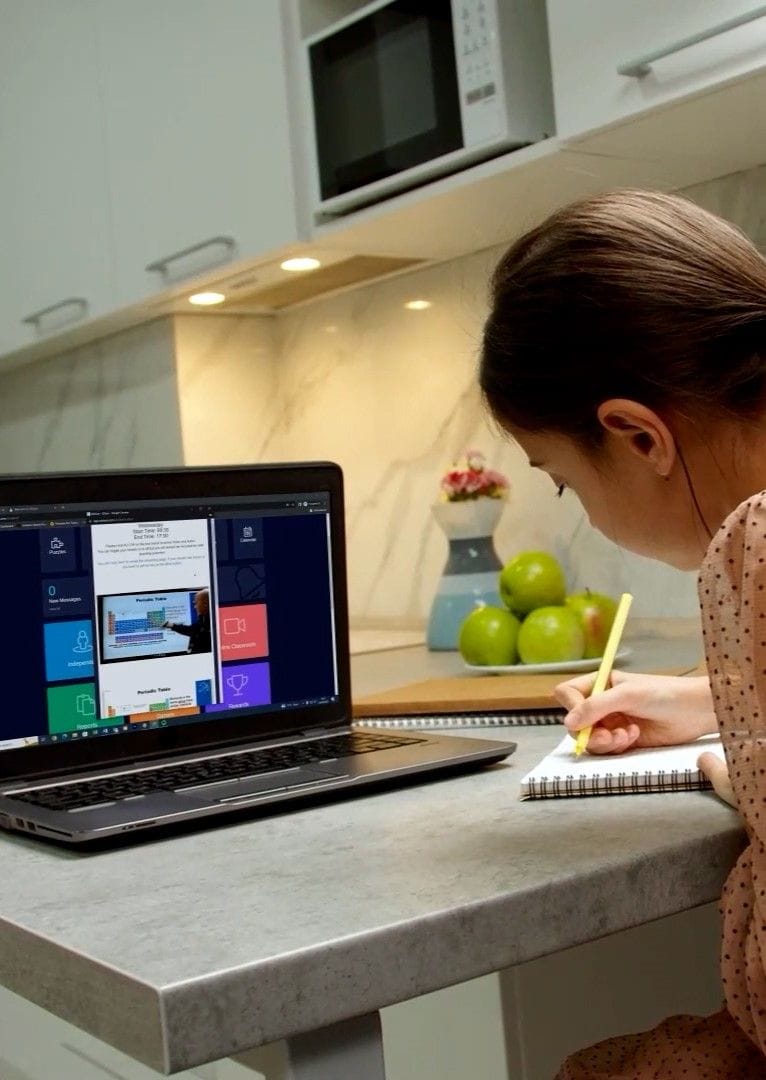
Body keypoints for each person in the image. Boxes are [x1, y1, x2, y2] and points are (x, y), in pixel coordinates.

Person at [479, 189, 766, 1077]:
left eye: (563, 480)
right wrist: (710, 701)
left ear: (639, 437)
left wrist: (735, 766)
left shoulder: (757, 541)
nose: (580, 508)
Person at [163, 588, 211, 654]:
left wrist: (171, 625)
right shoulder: (204, 619)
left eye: (196, 603)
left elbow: (192, 630)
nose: (195, 607)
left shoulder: (208, 623)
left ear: (205, 604)